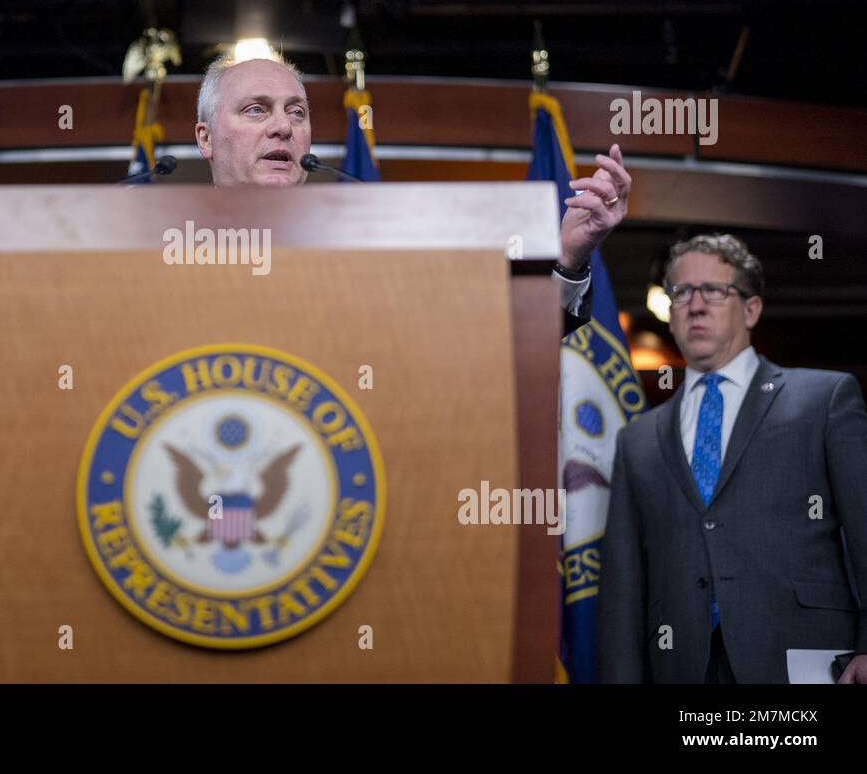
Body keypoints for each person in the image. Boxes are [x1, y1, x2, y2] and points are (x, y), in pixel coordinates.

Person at [192, 56, 631, 332]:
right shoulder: (150, 257)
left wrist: (568, 257)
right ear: (206, 138)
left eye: (297, 112)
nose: (283, 126)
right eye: (256, 109)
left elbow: (493, 338)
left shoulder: (375, 254)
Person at [598, 234, 867, 683]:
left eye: (714, 290)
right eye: (681, 292)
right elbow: (622, 592)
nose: (695, 304)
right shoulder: (637, 440)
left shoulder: (824, 398)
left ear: (751, 309)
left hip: (802, 662)